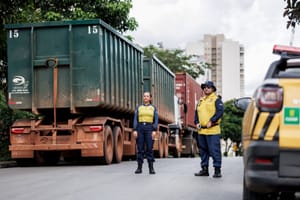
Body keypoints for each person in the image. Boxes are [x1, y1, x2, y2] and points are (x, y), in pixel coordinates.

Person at [194, 81, 224, 178]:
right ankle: (204, 169)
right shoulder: (201, 101)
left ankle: (217, 170)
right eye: (204, 87)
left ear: (213, 89)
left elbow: (220, 112)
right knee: (203, 151)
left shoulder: (216, 100)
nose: (206, 89)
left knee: (214, 150)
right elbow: (196, 113)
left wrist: (212, 120)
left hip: (213, 130)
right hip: (202, 131)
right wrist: (197, 122)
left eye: (208, 87)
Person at [133, 91, 158, 174]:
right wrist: (135, 130)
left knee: (149, 148)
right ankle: (139, 167)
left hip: (149, 128)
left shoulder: (153, 108)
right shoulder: (138, 107)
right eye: (144, 96)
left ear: (150, 98)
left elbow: (156, 120)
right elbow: (135, 119)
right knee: (140, 148)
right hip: (140, 128)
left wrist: (154, 130)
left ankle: (151, 168)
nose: (145, 97)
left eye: (147, 96)